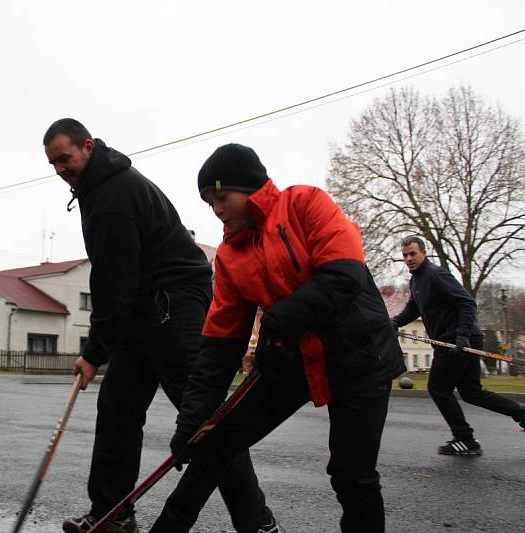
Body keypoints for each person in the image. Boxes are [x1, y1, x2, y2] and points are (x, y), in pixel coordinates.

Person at [152, 143, 405, 533]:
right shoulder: (229, 255)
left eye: (222, 197)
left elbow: (344, 275)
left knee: (352, 475)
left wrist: (278, 322)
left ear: (250, 188)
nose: (217, 209)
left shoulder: (306, 203)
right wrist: (191, 420)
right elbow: (219, 344)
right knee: (213, 444)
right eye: (208, 203)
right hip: (293, 359)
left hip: (359, 356)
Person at [43, 120, 273, 533]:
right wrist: (104, 347)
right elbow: (119, 284)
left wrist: (95, 353)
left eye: (65, 157)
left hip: (175, 303)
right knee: (117, 409)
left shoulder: (112, 195)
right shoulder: (97, 188)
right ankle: (112, 514)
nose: (60, 168)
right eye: (53, 163)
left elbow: (112, 283)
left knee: (204, 419)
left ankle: (257, 525)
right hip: (141, 309)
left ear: (88, 147)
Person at [390, 236, 525, 455]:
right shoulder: (416, 281)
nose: (409, 259)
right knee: (472, 392)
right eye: (405, 255)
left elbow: (466, 302)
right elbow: (414, 310)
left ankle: (465, 440)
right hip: (456, 340)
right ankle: (522, 415)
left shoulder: (436, 274)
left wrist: (461, 336)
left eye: (413, 253)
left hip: (458, 340)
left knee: (438, 388)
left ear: (424, 252)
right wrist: (395, 322)